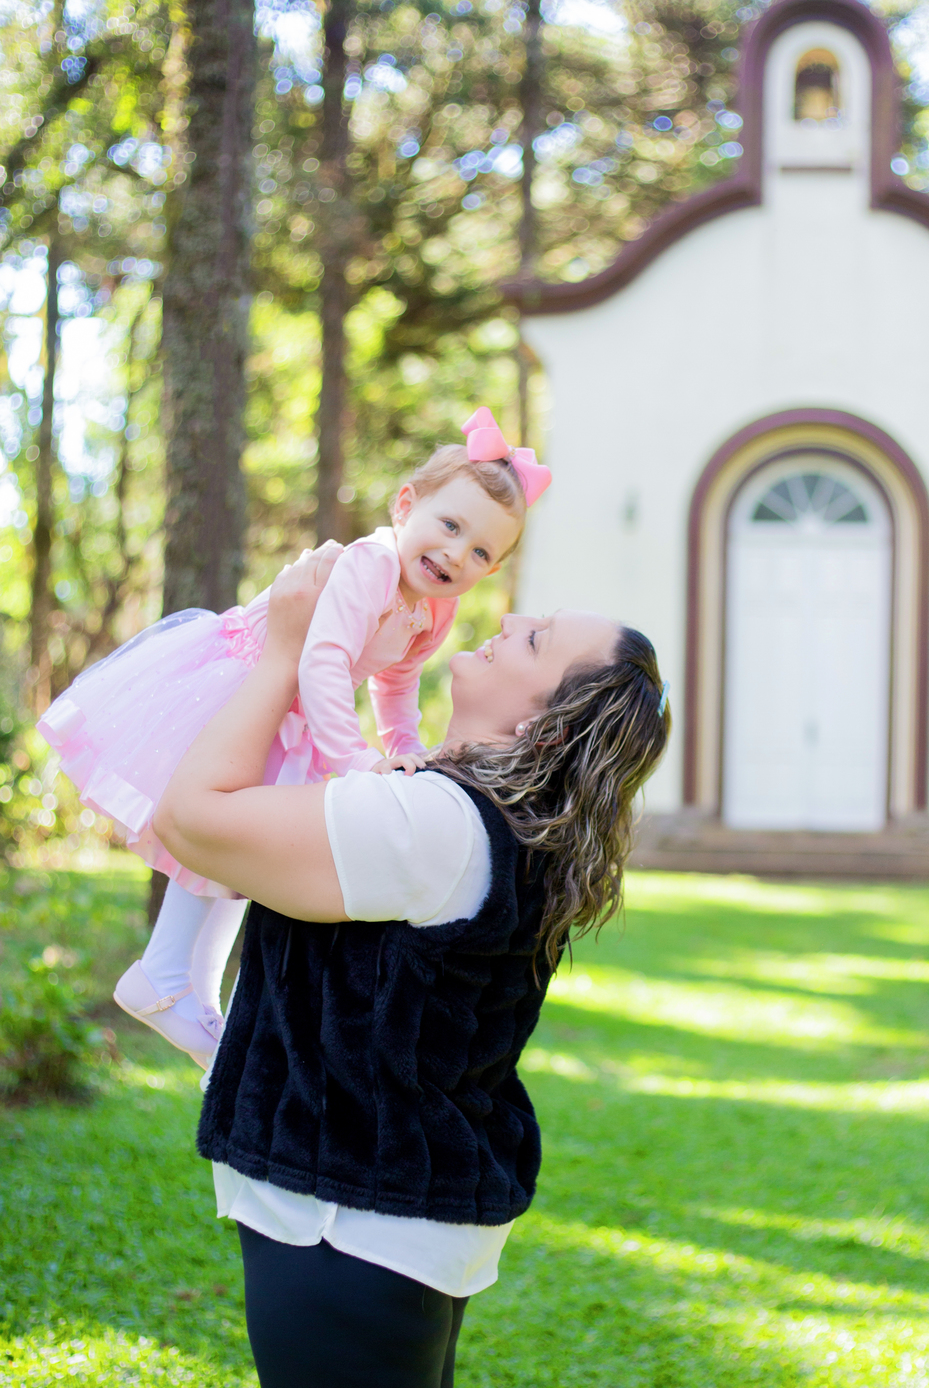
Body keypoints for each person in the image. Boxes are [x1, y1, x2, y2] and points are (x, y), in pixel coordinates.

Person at [151, 546, 670, 1388]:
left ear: (545, 724)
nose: (508, 620)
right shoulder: (481, 821)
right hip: (394, 1217)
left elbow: (194, 819)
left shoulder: (436, 824)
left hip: (346, 1222)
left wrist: (285, 651)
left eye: (534, 639)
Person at [37, 409, 550, 1064]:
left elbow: (396, 684)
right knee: (218, 835)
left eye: (480, 551)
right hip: (249, 690)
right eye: (450, 526)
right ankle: (162, 973)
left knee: (244, 856)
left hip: (293, 712)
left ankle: (195, 993)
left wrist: (403, 751)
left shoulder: (433, 608)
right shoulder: (371, 565)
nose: (456, 553)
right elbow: (324, 660)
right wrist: (352, 757)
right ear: (405, 506)